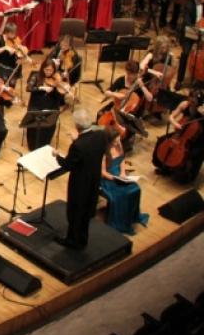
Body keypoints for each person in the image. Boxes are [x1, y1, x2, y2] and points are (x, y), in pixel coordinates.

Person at [55, 108, 110, 249]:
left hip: (80, 184)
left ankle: (72, 241)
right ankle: (82, 239)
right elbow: (94, 150)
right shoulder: (101, 135)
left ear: (77, 126)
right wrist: (78, 139)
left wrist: (57, 156)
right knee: (86, 212)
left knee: (75, 212)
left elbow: (68, 165)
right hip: (93, 180)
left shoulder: (78, 145)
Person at [100, 129, 149, 235]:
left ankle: (131, 216)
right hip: (108, 178)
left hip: (119, 174)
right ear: (110, 140)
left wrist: (122, 173)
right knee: (123, 193)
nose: (118, 140)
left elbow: (122, 159)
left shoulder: (119, 145)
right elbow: (103, 172)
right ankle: (120, 221)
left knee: (136, 189)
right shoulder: (104, 152)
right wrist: (115, 178)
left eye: (118, 138)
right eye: (116, 139)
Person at [25, 59, 71, 150]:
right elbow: (29, 88)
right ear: (42, 69)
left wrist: (61, 89)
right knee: (35, 120)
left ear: (54, 70)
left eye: (51, 70)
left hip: (51, 105)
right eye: (46, 70)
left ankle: (44, 145)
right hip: (36, 105)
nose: (48, 72)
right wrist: (42, 88)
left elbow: (60, 98)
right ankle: (33, 146)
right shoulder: (36, 76)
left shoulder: (57, 79)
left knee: (51, 118)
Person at [176, 0, 204, 90]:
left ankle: (199, 79)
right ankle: (179, 80)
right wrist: (197, 29)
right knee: (185, 54)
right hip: (190, 35)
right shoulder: (189, 6)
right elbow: (187, 23)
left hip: (202, 37)